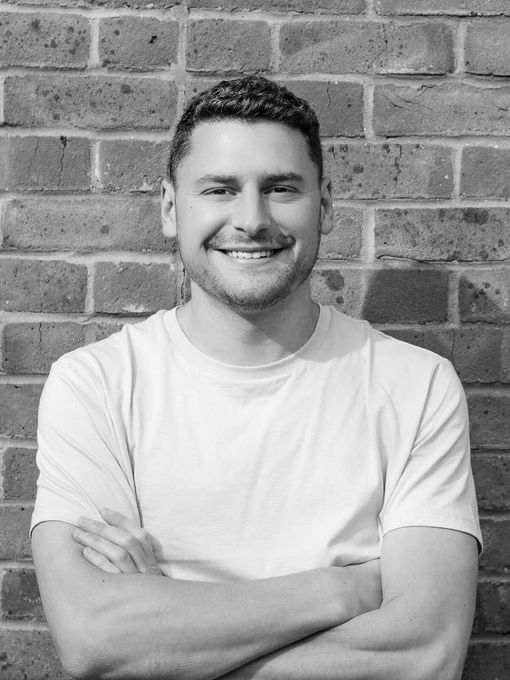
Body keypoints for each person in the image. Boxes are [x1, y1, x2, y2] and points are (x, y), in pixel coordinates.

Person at [31, 75, 481, 680]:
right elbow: (95, 639)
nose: (251, 219)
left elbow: (426, 653)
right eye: (220, 188)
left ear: (324, 206)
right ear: (170, 208)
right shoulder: (96, 385)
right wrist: (344, 591)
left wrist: (171, 643)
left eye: (281, 188)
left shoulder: (415, 386)